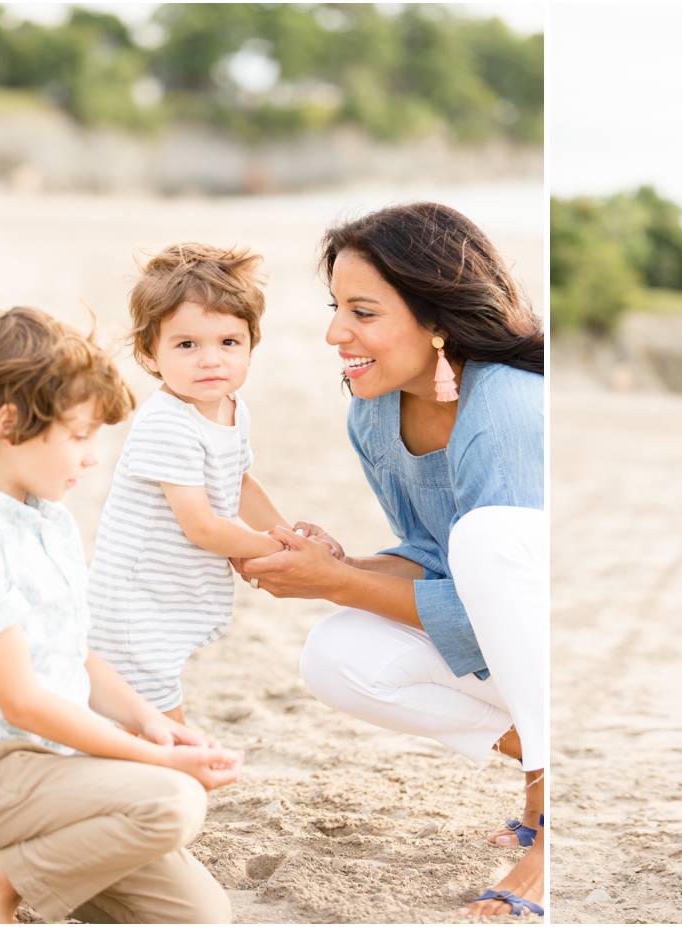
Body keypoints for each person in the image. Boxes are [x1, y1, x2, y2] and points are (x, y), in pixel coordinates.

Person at [235, 202, 544, 917]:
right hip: (500, 632)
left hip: (551, 639)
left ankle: (550, 821)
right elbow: (434, 560)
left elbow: (500, 578)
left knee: (487, 539)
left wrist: (340, 580)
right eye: (336, 307)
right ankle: (540, 766)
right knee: (334, 653)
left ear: (435, 316)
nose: (335, 333)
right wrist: (330, 569)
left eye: (363, 312)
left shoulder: (508, 409)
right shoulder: (373, 411)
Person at [0, 306, 243, 923]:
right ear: (10, 422)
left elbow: (77, 655)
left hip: (59, 779)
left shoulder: (50, 519)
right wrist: (158, 763)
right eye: (79, 436)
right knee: (171, 802)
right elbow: (22, 702)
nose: (93, 456)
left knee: (202, 916)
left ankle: (27, 868)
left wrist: (151, 724)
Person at [87, 243, 320, 723]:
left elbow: (239, 482)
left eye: (228, 343)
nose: (211, 360)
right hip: (135, 600)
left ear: (252, 346)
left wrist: (287, 535)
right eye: (187, 345)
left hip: (169, 593)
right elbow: (202, 527)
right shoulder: (167, 424)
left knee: (134, 708)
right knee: (156, 714)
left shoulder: (233, 409)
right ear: (150, 355)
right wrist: (269, 546)